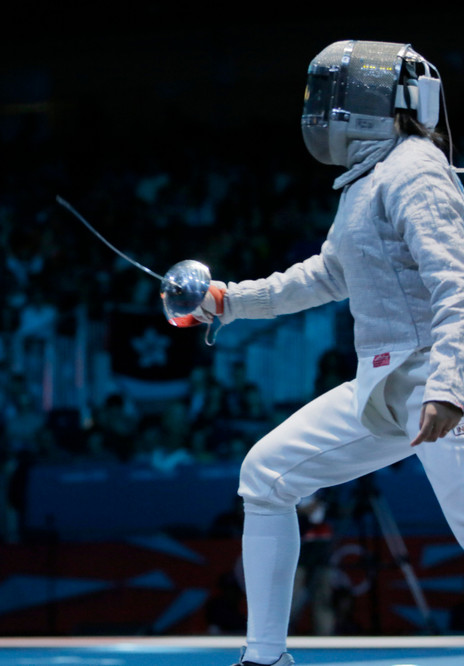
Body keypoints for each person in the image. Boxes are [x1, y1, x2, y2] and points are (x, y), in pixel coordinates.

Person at [171, 40, 463, 665]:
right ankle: (265, 657)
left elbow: (456, 284)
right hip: (385, 384)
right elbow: (326, 275)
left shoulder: (414, 168)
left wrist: (449, 386)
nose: (325, 108)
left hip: (435, 379)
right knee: (267, 475)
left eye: (339, 93)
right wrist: (229, 301)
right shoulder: (368, 180)